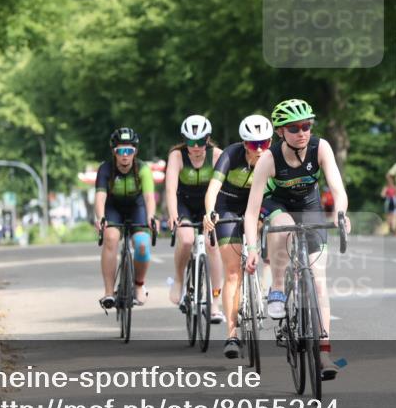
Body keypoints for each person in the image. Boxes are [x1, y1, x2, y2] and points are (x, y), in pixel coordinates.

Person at [243, 99, 350, 380]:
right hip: (277, 204)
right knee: (284, 225)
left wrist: (340, 214)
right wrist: (253, 248)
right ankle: (277, 287)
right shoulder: (269, 158)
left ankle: (324, 352)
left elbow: (337, 188)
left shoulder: (320, 147)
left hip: (310, 206)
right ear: (280, 132)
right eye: (294, 128)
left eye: (306, 126)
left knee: (318, 278)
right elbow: (252, 210)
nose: (302, 132)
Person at [203, 114, 273, 359]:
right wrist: (210, 212)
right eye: (255, 145)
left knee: (274, 233)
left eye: (265, 143)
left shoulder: (273, 157)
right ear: (245, 144)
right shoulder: (230, 155)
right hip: (228, 207)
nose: (261, 149)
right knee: (232, 271)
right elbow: (213, 188)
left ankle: (270, 278)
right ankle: (232, 334)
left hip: (259, 205)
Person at [165, 115, 224, 323]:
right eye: (191, 142)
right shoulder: (177, 156)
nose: (196, 146)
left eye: (201, 141)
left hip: (209, 203)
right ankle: (179, 280)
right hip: (185, 203)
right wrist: (173, 213)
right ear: (184, 140)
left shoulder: (217, 155)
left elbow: (223, 188)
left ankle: (215, 303)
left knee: (213, 245)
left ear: (208, 139)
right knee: (188, 238)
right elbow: (171, 188)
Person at [94, 127, 157, 310]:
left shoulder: (143, 168)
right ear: (114, 152)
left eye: (129, 151)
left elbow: (148, 197)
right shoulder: (105, 169)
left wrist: (151, 216)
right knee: (111, 237)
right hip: (113, 207)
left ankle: (138, 285)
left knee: (142, 243)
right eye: (120, 151)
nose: (124, 155)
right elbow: (100, 198)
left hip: (137, 207)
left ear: (135, 152)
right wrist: (101, 217)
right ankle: (108, 292)